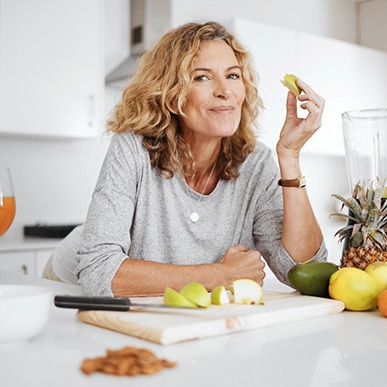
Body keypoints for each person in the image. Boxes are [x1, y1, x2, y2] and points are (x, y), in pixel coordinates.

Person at [53, 21, 327, 297]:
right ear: (172, 97)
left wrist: (289, 156)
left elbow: (305, 272)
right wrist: (222, 275)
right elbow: (97, 272)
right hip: (67, 281)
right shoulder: (132, 148)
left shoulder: (256, 163)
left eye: (233, 75)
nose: (225, 90)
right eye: (202, 77)